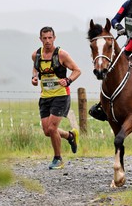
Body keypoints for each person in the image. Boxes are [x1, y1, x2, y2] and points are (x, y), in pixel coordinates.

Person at [31, 26, 81, 170]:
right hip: (45, 96)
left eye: (50, 38)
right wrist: (34, 77)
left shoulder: (61, 54)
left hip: (61, 95)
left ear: (54, 38)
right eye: (44, 38)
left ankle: (58, 159)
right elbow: (35, 68)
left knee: (53, 128)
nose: (47, 41)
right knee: (47, 131)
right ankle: (70, 136)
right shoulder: (36, 55)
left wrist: (68, 80)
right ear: (40, 39)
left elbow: (77, 71)